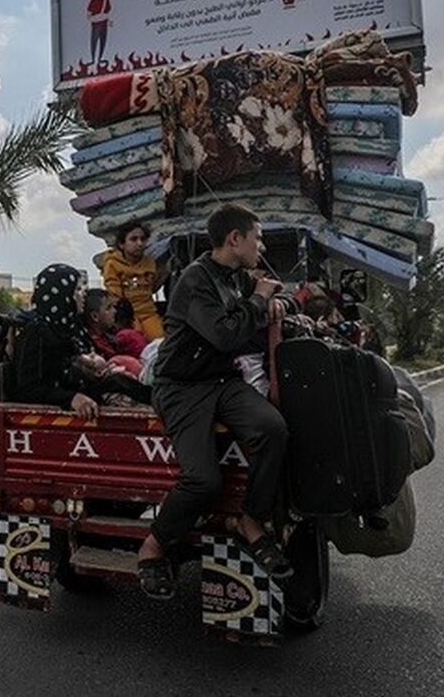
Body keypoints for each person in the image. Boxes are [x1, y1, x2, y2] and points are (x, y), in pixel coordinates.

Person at [136, 204, 298, 599]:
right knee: (203, 480)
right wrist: (259, 300)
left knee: (272, 428)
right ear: (235, 239)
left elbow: (279, 295)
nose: (260, 246)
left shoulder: (236, 277)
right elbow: (225, 336)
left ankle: (251, 520)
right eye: (257, 237)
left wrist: (279, 302)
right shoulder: (196, 280)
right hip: (181, 386)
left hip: (221, 381)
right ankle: (153, 548)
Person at [13, 264, 150, 419]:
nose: (83, 294)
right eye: (77, 290)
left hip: (86, 392)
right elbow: (28, 389)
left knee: (120, 381)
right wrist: (71, 398)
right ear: (61, 295)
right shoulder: (37, 334)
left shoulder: (70, 329)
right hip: (61, 410)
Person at [102, 221, 166, 341]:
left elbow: (151, 288)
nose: (139, 243)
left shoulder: (149, 263)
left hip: (149, 313)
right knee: (136, 343)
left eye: (142, 239)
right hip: (128, 316)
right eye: (133, 239)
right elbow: (115, 296)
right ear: (122, 244)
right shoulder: (113, 264)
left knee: (160, 342)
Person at [83, 289, 144, 379]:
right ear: (95, 316)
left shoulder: (108, 337)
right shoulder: (93, 345)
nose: (114, 311)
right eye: (108, 308)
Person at [87, 0, 114, 64]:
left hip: (104, 24)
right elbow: (88, 14)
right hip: (96, 25)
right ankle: (93, 59)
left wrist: (109, 20)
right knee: (94, 41)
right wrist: (94, 18)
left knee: (103, 40)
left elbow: (108, 11)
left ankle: (100, 58)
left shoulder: (106, 0)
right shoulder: (93, 1)